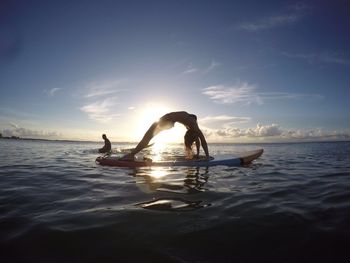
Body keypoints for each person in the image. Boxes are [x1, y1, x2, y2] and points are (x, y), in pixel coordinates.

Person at [121, 111, 209, 160]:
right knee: (147, 137)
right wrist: (207, 156)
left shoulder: (189, 120)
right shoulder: (193, 123)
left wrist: (201, 154)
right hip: (167, 121)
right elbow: (202, 140)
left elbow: (200, 140)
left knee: (147, 137)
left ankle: (132, 154)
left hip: (167, 120)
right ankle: (132, 154)